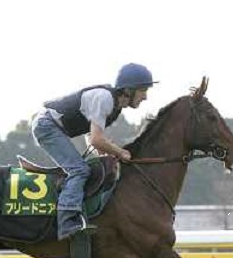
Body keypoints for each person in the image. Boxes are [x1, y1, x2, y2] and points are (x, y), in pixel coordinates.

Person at [31, 63, 157, 240]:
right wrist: (120, 153)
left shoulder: (115, 107)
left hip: (53, 126)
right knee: (79, 170)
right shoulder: (105, 99)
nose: (145, 97)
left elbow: (91, 137)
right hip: (47, 126)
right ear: (128, 90)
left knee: (92, 168)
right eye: (143, 90)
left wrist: (106, 155)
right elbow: (97, 140)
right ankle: (67, 223)